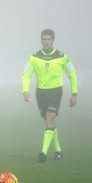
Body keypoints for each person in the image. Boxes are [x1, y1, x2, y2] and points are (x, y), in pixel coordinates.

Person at [22, 29, 78, 163]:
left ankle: (43, 152)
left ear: (53, 40)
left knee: (50, 117)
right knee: (49, 122)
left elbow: (72, 74)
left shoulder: (62, 56)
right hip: (40, 93)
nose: (46, 42)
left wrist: (74, 93)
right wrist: (25, 90)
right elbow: (27, 75)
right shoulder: (34, 57)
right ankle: (58, 151)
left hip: (55, 91)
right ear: (41, 40)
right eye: (44, 39)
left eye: (49, 39)